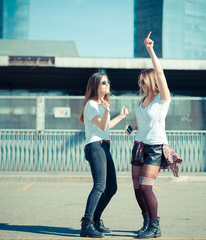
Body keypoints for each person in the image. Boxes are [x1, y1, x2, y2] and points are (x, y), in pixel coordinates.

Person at [126, 32, 182, 239]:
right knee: (136, 188)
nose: (140, 85)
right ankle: (147, 221)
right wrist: (132, 127)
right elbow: (142, 123)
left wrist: (150, 49)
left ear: (151, 81)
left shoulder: (162, 99)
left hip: (155, 147)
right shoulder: (141, 102)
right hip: (139, 145)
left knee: (146, 186)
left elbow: (160, 72)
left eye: (143, 81)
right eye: (139, 82)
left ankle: (155, 226)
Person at [79, 72, 129, 238]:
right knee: (100, 186)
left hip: (104, 146)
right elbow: (101, 126)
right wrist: (107, 110)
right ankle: (86, 224)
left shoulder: (101, 105)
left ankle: (95, 219)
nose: (107, 85)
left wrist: (121, 116)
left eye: (108, 82)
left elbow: (106, 126)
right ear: (96, 86)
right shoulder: (91, 105)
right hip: (95, 146)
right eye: (103, 83)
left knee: (112, 187)